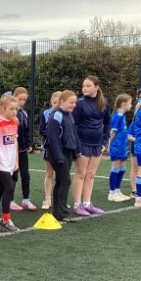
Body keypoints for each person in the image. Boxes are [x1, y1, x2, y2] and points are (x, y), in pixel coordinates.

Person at [72, 75, 110, 216]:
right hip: (82, 144)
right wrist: (77, 144)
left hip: (97, 144)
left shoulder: (104, 102)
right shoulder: (79, 103)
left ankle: (87, 203)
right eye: (83, 86)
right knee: (81, 174)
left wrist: (105, 142)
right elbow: (73, 124)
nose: (85, 88)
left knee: (91, 174)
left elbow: (107, 122)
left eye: (88, 86)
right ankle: (77, 204)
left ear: (96, 87)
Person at [0, 94, 20, 232]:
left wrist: (16, 160)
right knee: (9, 188)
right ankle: (6, 220)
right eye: (11, 109)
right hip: (1, 162)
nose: (14, 112)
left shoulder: (15, 122)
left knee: (0, 189)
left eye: (16, 109)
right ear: (3, 108)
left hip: (10, 161)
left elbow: (15, 142)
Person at [45, 91, 79, 222]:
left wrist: (76, 150)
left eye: (75, 102)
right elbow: (53, 137)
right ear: (62, 101)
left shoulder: (69, 115)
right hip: (58, 153)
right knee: (65, 181)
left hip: (68, 153)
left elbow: (73, 134)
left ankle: (57, 213)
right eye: (71, 102)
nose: (73, 105)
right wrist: (59, 156)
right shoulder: (56, 115)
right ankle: (62, 213)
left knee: (60, 181)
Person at [11, 86, 36, 211]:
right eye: (20, 99)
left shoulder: (24, 114)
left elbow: (26, 130)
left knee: (25, 174)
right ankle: (10, 200)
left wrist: (29, 144)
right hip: (11, 151)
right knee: (13, 175)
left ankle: (26, 199)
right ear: (14, 98)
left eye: (24, 100)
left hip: (22, 150)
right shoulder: (10, 113)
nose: (22, 102)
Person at [107, 94, 132, 202]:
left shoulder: (123, 116)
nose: (131, 105)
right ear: (123, 103)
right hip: (116, 146)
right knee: (115, 168)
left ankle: (117, 190)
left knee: (122, 168)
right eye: (129, 103)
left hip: (123, 146)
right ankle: (112, 193)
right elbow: (112, 132)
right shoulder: (118, 116)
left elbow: (123, 132)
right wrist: (109, 145)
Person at [39, 91, 61, 210]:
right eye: (54, 102)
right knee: (49, 173)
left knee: (61, 175)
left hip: (61, 149)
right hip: (49, 147)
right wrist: (51, 136)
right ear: (51, 102)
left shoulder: (65, 114)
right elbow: (42, 130)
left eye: (59, 102)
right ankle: (48, 199)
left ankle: (59, 200)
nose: (56, 105)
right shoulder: (46, 113)